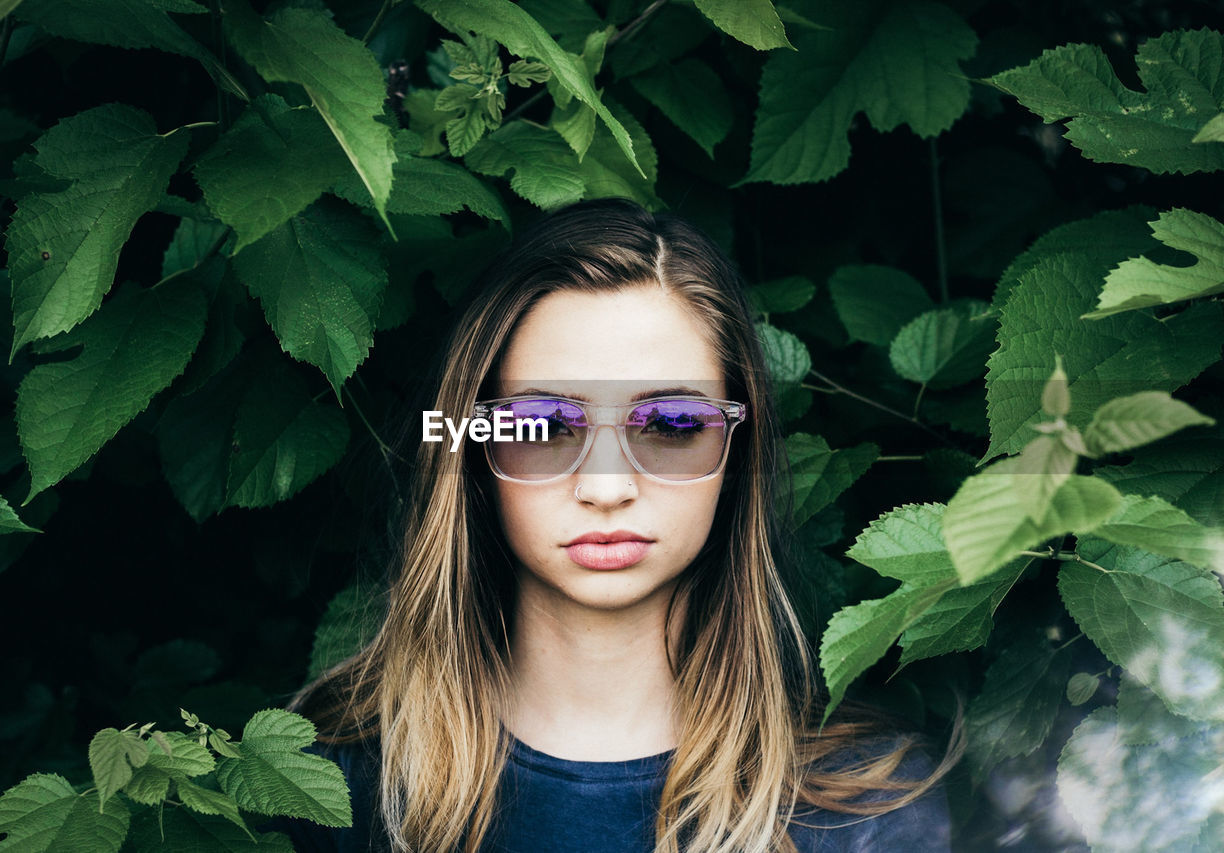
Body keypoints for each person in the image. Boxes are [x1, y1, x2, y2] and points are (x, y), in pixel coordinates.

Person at [263, 198, 959, 852]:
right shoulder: (326, 785)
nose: (605, 486)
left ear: (736, 451)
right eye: (543, 424)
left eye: (671, 423)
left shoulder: (865, 811)